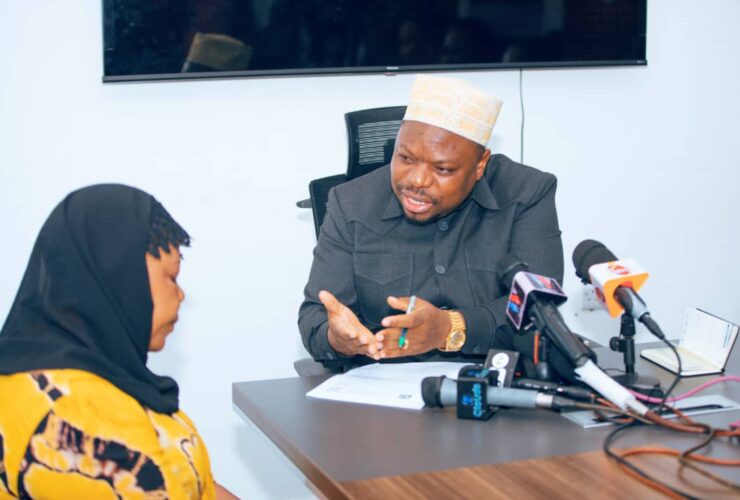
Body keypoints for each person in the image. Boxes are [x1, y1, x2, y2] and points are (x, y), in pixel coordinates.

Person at [299, 75, 564, 372]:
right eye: (405, 158)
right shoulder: (352, 202)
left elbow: (539, 308)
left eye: (443, 169)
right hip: (384, 386)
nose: (417, 180)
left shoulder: (526, 194)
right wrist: (337, 339)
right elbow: (315, 318)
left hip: (497, 382)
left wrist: (450, 328)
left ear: (480, 165)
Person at [0, 185, 236, 499]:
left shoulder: (93, 379)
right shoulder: (77, 428)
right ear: (121, 280)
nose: (180, 295)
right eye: (171, 277)